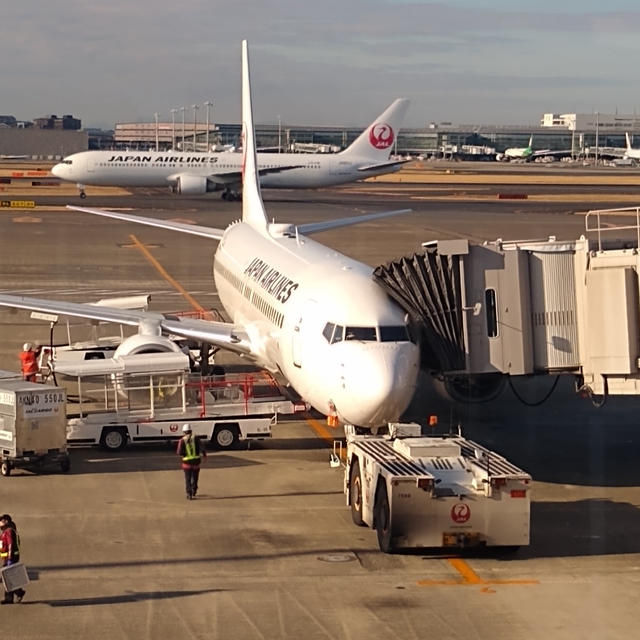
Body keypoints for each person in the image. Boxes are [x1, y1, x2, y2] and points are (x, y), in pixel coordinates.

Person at [176, 424, 206, 500]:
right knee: (195, 477)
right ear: (191, 431)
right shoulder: (196, 438)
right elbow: (202, 447)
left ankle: (189, 494)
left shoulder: (182, 440)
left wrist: (184, 454)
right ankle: (194, 490)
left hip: (186, 463)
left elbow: (179, 452)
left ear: (184, 432)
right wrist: (204, 455)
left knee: (188, 478)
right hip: (196, 462)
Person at [0, 514, 25, 604]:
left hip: (11, 558)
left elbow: (11, 544)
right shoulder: (5, 532)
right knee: (8, 577)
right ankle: (11, 597)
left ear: (6, 521)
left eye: (1, 521)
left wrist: (10, 558)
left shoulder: (9, 531)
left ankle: (17, 593)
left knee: (7, 577)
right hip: (7, 558)